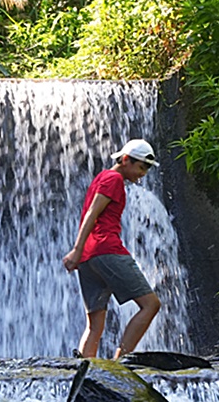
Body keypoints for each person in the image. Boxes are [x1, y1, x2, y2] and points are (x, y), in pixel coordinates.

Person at [62, 137, 162, 359]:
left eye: (147, 168)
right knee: (150, 304)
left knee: (95, 324)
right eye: (141, 166)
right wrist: (76, 250)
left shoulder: (102, 177)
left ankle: (86, 370)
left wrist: (81, 254)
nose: (143, 173)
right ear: (125, 159)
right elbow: (92, 214)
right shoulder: (113, 179)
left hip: (89, 259)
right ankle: (120, 363)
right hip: (106, 250)